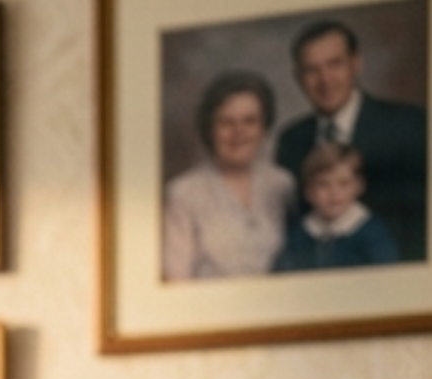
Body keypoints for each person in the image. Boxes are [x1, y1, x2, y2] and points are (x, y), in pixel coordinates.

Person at [272, 18, 428, 262]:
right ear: (298, 77)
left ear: (356, 64)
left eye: (335, 64)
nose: (325, 80)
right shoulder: (291, 140)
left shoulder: (410, 125)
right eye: (312, 70)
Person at [163, 70, 297, 280]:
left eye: (249, 121)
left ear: (264, 127)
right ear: (210, 129)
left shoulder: (284, 184)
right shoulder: (184, 192)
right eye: (226, 122)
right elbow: (176, 278)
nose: (239, 132)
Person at [273, 140, 401, 270]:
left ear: (359, 186)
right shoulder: (300, 233)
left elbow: (386, 276)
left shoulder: (373, 234)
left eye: (343, 183)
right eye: (323, 184)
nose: (334, 192)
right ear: (308, 192)